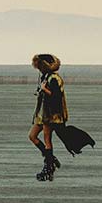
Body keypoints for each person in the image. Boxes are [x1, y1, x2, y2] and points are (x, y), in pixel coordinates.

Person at [30, 53, 69, 181]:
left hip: (52, 114)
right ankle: (50, 158)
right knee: (32, 136)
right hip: (43, 113)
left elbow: (56, 96)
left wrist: (44, 90)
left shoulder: (54, 78)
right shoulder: (46, 77)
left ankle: (48, 166)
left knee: (47, 138)